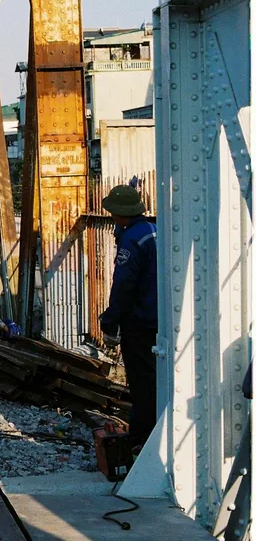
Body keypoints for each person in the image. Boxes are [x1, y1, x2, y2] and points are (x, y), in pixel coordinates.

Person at [99, 184, 158, 451]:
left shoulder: (131, 239)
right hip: (159, 319)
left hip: (139, 321)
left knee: (142, 385)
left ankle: (140, 443)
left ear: (120, 213)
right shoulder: (153, 231)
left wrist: (110, 320)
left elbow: (124, 284)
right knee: (157, 380)